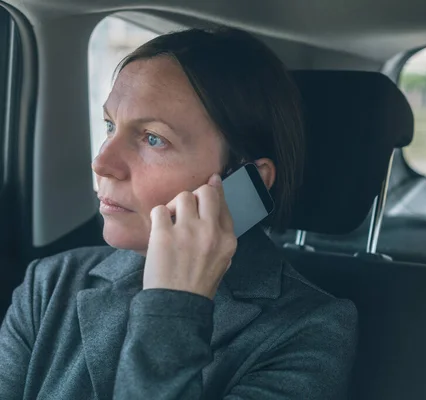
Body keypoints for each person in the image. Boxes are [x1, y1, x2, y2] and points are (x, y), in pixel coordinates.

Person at [0, 28, 358, 399]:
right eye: (110, 126)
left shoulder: (309, 329)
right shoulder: (50, 284)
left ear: (246, 178)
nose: (102, 163)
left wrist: (172, 309)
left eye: (153, 138)